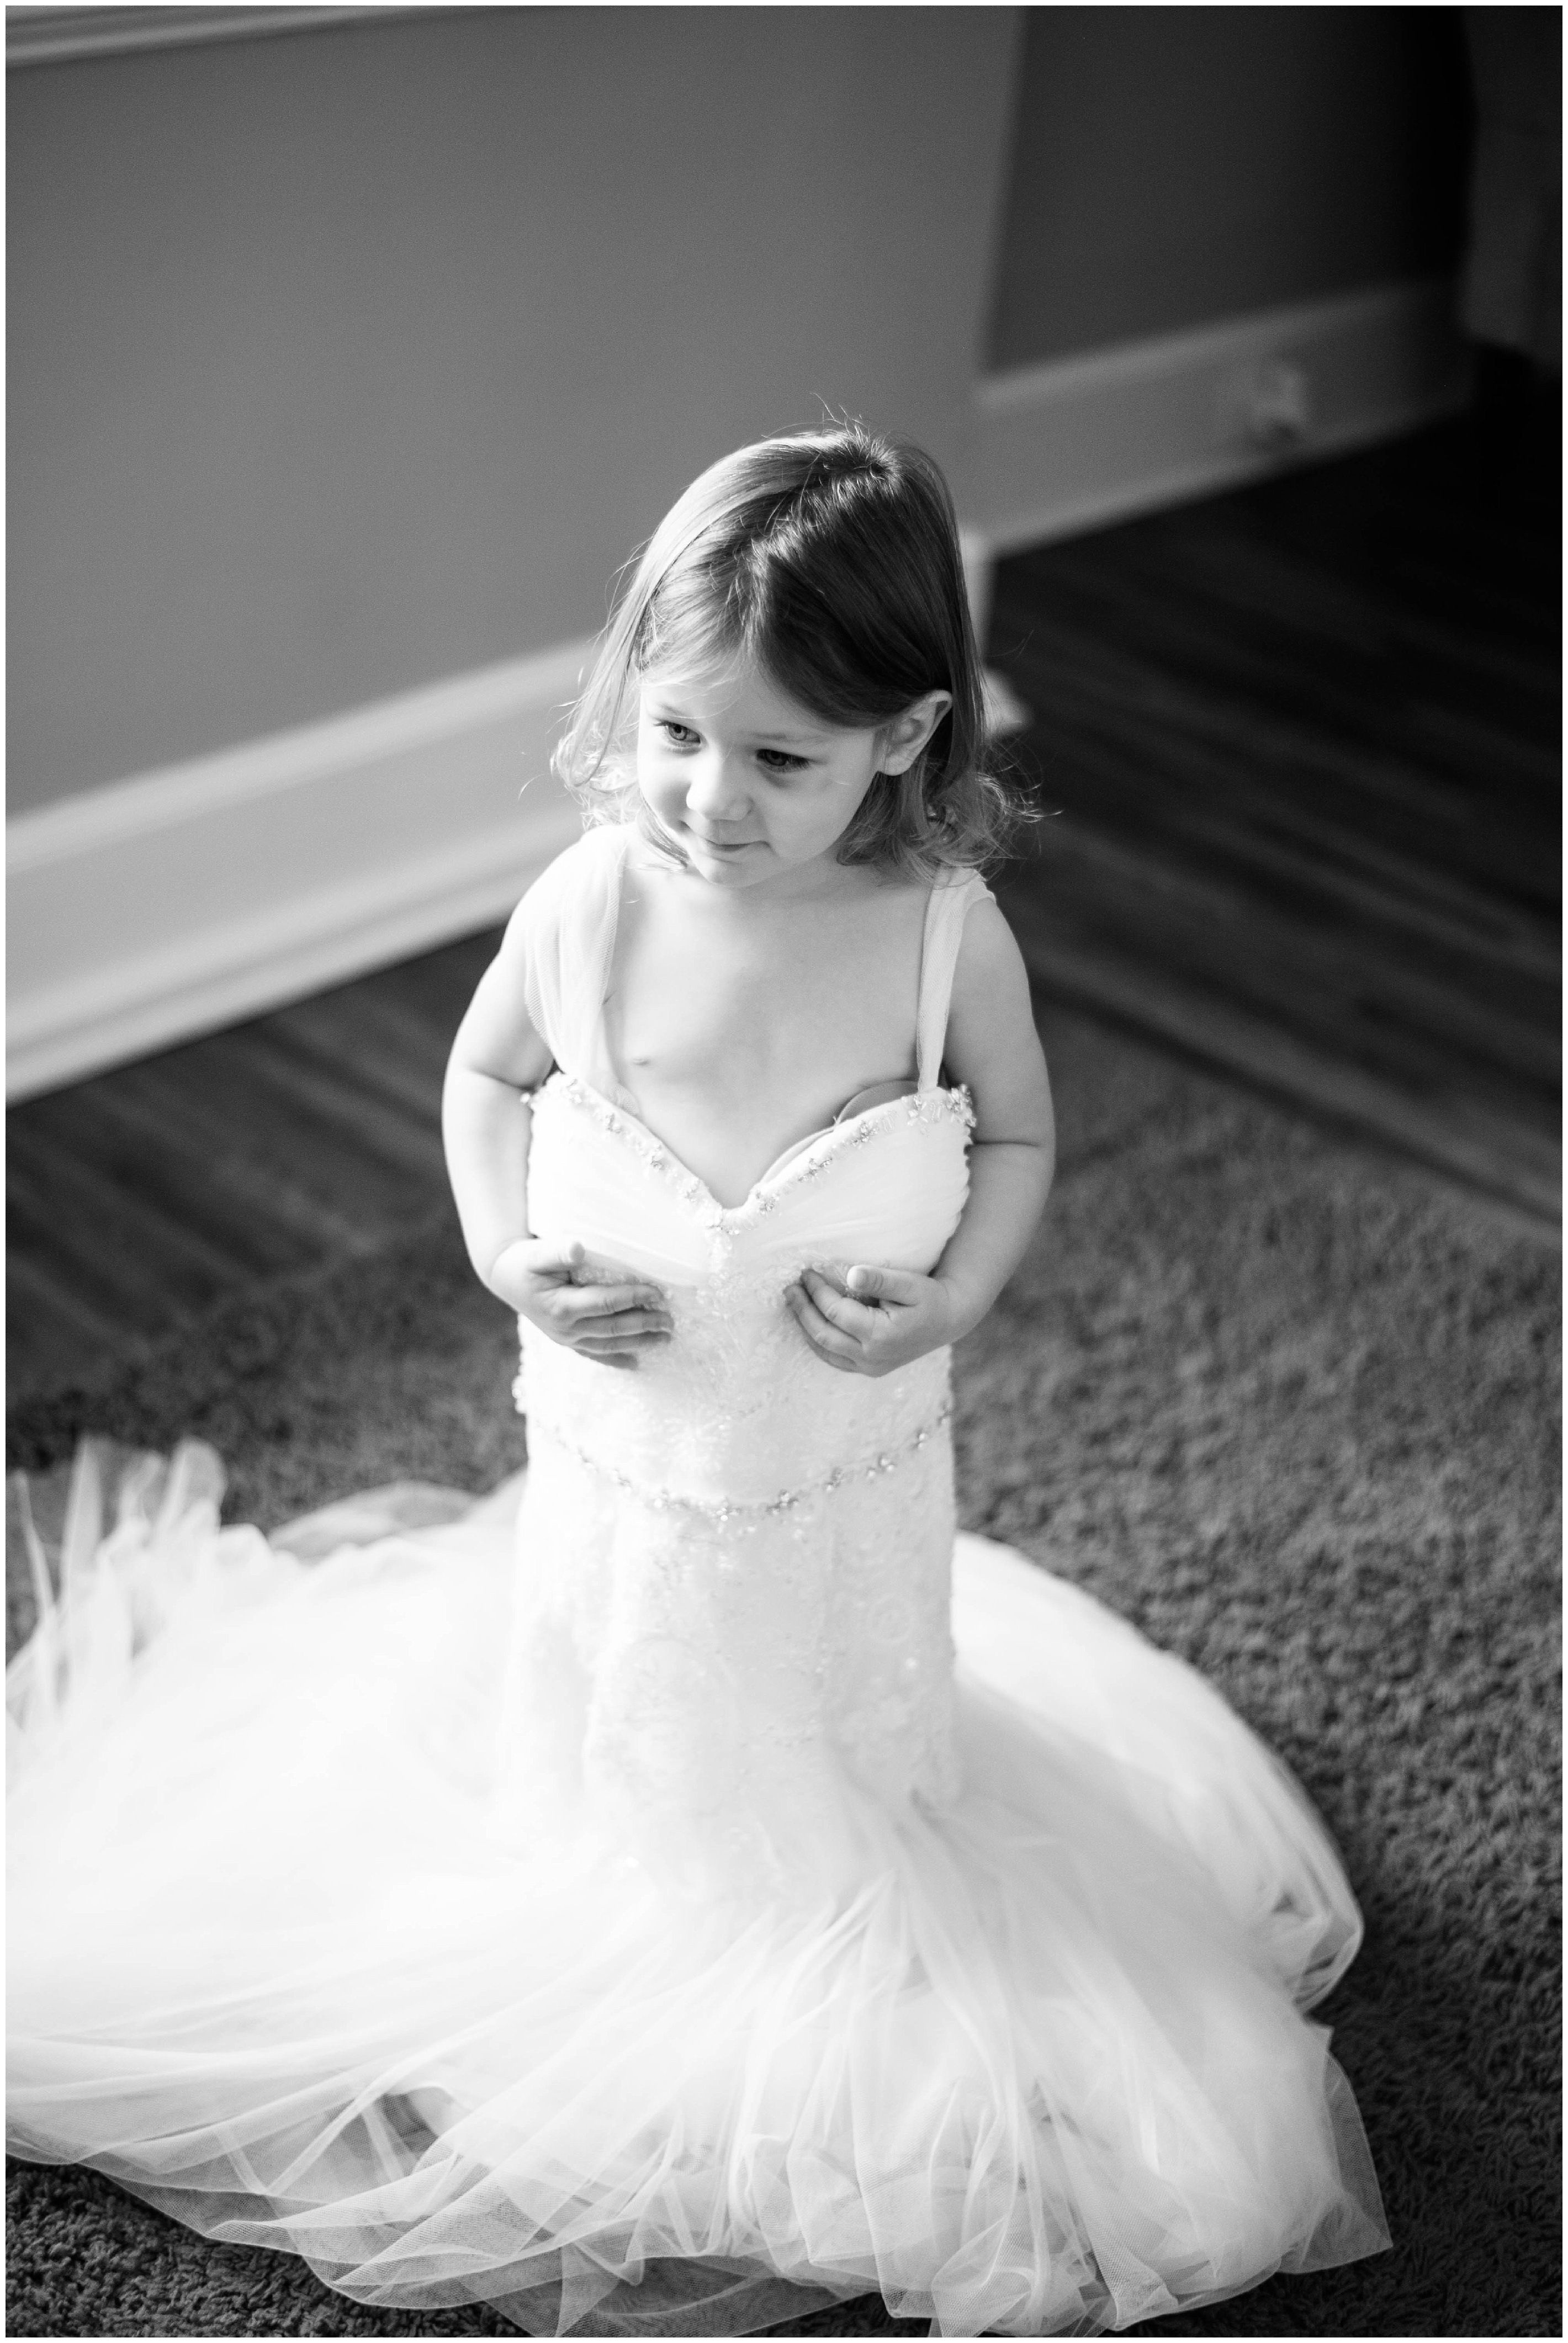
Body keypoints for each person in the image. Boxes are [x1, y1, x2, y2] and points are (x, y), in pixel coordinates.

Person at [7, 426, 1389, 2337]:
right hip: (632, 1484)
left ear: (907, 736)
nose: (710, 800)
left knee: (851, 1764)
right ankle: (594, 1817)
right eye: (675, 732)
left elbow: (1017, 1135)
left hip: (835, 1486)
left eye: (780, 760)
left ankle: (846, 1847)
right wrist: (504, 1247)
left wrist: (952, 1297)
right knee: (597, 1723)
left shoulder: (940, 938)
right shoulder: (595, 901)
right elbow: (486, 1075)